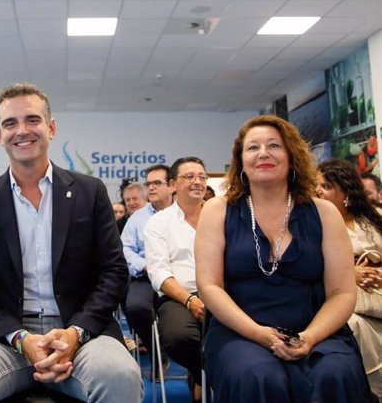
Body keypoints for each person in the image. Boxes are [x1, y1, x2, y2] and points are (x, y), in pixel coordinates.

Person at [0, 83, 142, 402]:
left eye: (32, 120)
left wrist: (75, 333)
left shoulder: (90, 192)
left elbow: (113, 273)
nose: (22, 130)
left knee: (120, 376)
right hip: (5, 338)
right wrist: (20, 338)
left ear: (50, 127)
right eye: (10, 123)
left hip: (81, 334)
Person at [195, 115, 375, 403]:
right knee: (257, 376)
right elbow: (209, 286)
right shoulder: (216, 211)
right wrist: (259, 334)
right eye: (253, 148)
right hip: (240, 331)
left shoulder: (324, 213)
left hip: (317, 329)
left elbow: (342, 292)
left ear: (292, 157)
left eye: (274, 145)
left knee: (335, 373)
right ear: (241, 162)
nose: (263, 153)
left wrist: (310, 338)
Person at [316, 159, 382, 399]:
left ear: (345, 191)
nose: (318, 191)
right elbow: (312, 267)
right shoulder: (316, 224)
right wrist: (350, 273)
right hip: (346, 298)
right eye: (317, 185)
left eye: (325, 186)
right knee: (354, 325)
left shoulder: (374, 218)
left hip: (378, 292)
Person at [144, 157, 207, 402]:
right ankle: (202, 376)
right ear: (173, 184)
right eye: (189, 176)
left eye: (201, 176)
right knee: (179, 338)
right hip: (178, 296)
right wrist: (191, 301)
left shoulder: (222, 214)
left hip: (222, 293)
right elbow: (158, 272)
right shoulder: (159, 223)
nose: (197, 182)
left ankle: (206, 376)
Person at [121, 165, 173, 374]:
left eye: (156, 183)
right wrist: (143, 265)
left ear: (172, 186)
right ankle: (156, 351)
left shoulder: (184, 213)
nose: (151, 188)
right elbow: (125, 247)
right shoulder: (137, 218)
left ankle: (193, 369)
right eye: (148, 184)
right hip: (146, 276)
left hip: (178, 277)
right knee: (135, 307)